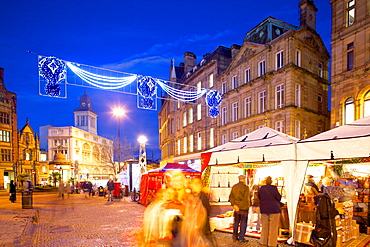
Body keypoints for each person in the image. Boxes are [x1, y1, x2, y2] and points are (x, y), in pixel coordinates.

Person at [258, 176, 281, 247]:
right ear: (271, 182)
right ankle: (272, 243)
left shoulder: (261, 188)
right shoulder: (274, 188)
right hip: (274, 209)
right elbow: (279, 198)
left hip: (264, 208)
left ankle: (263, 241)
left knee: (264, 226)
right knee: (273, 227)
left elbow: (259, 197)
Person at [229, 174, 250, 243]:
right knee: (243, 223)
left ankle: (234, 236)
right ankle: (241, 237)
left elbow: (231, 197)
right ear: (244, 179)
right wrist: (240, 206)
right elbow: (245, 199)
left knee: (236, 222)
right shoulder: (246, 187)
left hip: (236, 208)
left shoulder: (234, 187)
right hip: (243, 208)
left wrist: (235, 205)